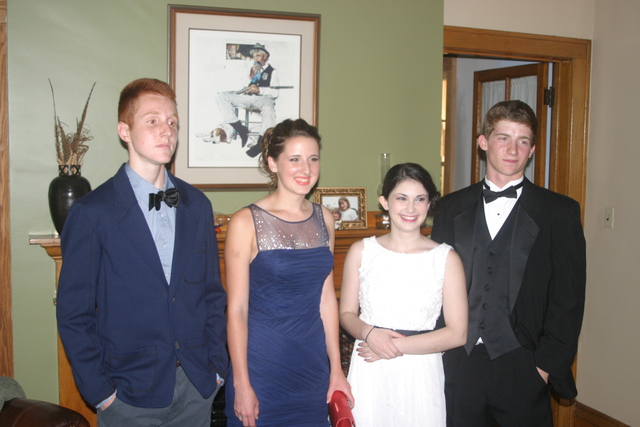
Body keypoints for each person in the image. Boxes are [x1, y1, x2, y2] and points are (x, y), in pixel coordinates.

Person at [56, 78, 228, 427]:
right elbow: (74, 313)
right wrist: (101, 393)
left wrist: (218, 369)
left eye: (172, 122)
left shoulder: (198, 205)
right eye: (152, 120)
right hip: (128, 394)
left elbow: (212, 295)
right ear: (125, 131)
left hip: (197, 386)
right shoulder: (93, 212)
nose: (167, 130)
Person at [431, 100, 586, 427]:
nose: (513, 149)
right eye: (503, 138)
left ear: (532, 150)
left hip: (523, 363)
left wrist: (544, 367)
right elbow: (433, 284)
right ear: (483, 142)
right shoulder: (449, 208)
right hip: (459, 360)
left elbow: (568, 299)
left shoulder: (560, 212)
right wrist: (438, 349)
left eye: (523, 141)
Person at [224, 118, 353, 427]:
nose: (306, 169)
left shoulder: (325, 218)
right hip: (261, 369)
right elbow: (237, 310)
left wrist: (336, 369)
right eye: (294, 159)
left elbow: (326, 300)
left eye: (313, 158)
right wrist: (242, 384)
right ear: (273, 163)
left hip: (312, 368)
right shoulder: (245, 222)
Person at [340, 163, 468, 426]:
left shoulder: (446, 259)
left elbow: (457, 334)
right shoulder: (361, 251)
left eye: (419, 199)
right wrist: (369, 333)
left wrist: (392, 346)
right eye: (401, 198)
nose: (411, 208)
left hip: (420, 371)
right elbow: (346, 314)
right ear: (384, 202)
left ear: (429, 204)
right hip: (370, 367)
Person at [216, 42, 279, 157]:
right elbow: (239, 87)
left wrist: (259, 90)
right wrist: (250, 75)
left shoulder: (272, 71)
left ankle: (262, 142)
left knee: (269, 108)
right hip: (247, 97)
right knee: (221, 96)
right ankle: (240, 128)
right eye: (254, 56)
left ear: (265, 56)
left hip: (263, 99)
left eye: (258, 55)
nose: (255, 59)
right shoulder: (251, 69)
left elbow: (275, 92)